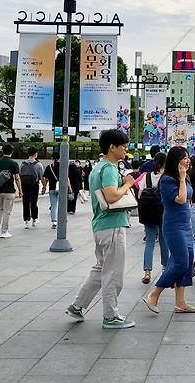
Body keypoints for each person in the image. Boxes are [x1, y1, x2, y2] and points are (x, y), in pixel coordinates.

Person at [66, 129, 136, 329]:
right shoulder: (110, 168)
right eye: (123, 145)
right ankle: (110, 316)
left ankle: (77, 306)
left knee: (100, 269)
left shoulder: (98, 167)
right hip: (112, 224)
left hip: (101, 226)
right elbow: (113, 196)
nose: (125, 149)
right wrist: (128, 184)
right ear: (112, 147)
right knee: (113, 273)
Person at [143, 146, 195, 314]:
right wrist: (182, 179)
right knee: (181, 262)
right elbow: (181, 199)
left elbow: (189, 198)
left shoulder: (185, 177)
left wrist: (184, 178)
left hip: (185, 224)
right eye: (184, 157)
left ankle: (180, 302)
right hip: (173, 226)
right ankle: (154, 294)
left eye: (188, 157)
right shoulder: (168, 179)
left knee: (187, 261)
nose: (188, 160)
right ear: (176, 160)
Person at [138, 152, 168, 284]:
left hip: (148, 213)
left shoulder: (147, 176)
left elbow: (140, 195)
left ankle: (147, 272)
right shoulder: (167, 177)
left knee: (149, 241)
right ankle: (165, 269)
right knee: (164, 241)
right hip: (163, 212)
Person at [0, 144, 22, 238]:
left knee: (0, 209)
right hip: (9, 190)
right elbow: (17, 178)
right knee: (7, 211)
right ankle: (4, 231)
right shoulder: (13, 163)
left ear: (2, 151)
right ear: (12, 152)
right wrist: (20, 190)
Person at [20, 147, 44, 229]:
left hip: (24, 185)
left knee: (26, 202)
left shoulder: (22, 164)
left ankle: (26, 221)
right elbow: (41, 177)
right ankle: (34, 219)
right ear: (35, 154)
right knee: (34, 202)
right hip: (34, 185)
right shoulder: (38, 164)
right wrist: (44, 186)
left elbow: (20, 175)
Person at [42, 151, 68, 229]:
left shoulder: (49, 167)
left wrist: (44, 187)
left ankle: (54, 221)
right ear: (60, 158)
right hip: (62, 188)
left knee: (53, 205)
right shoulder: (63, 166)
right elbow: (66, 178)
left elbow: (45, 178)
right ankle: (63, 219)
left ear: (52, 158)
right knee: (62, 205)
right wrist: (69, 187)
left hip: (52, 188)